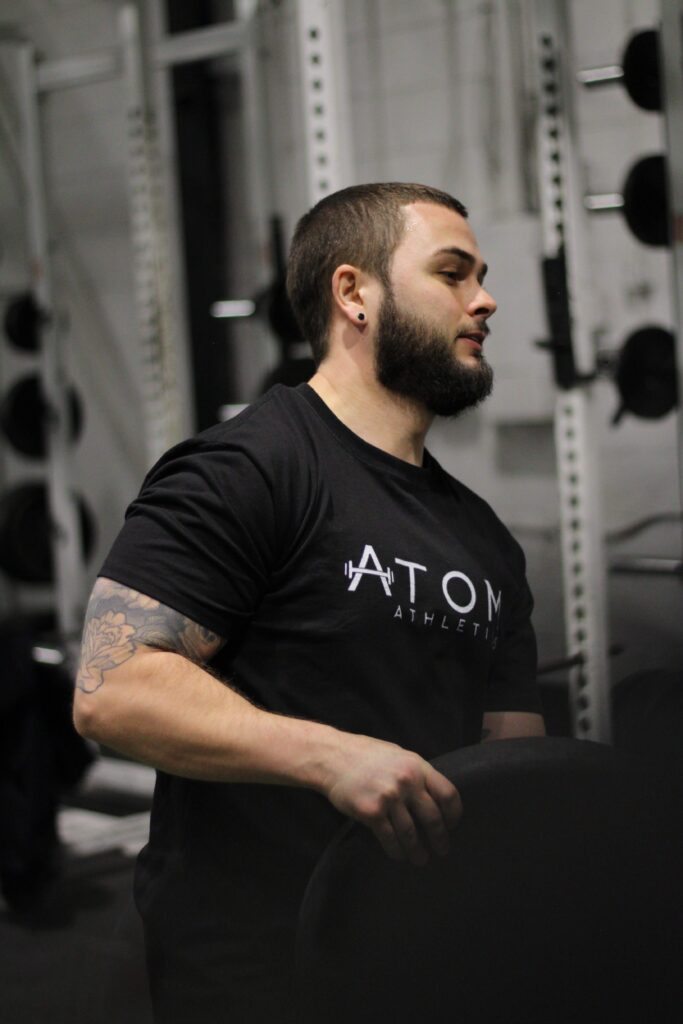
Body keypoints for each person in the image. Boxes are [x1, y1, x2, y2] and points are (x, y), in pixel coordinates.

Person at [73, 182, 545, 1023]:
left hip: (430, 958)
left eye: (480, 277)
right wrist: (336, 758)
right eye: (452, 273)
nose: (485, 299)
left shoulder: (482, 539)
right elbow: (113, 687)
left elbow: (514, 759)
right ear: (353, 293)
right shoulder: (251, 469)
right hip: (263, 967)